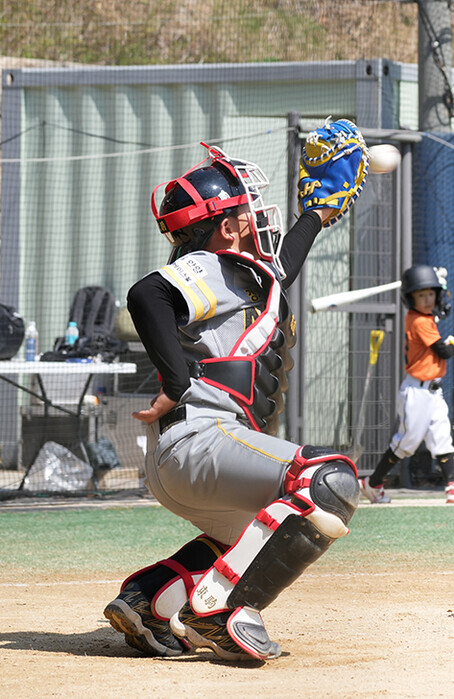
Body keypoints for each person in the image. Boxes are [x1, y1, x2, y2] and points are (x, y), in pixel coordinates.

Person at [103, 121, 368, 662]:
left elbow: (279, 270)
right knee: (327, 481)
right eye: (246, 210)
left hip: (188, 455)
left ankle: (148, 601)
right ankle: (223, 611)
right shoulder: (211, 265)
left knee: (255, 535)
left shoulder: (236, 275)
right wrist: (175, 382)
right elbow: (147, 294)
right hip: (200, 439)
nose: (256, 217)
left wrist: (316, 215)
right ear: (224, 228)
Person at [360, 264, 454, 505]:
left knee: (441, 436)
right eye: (421, 295)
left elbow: (438, 316)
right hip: (416, 392)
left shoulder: (425, 318)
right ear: (411, 298)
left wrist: (441, 290)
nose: (428, 300)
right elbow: (443, 351)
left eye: (431, 294)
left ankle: (452, 485)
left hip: (433, 391)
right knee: (406, 442)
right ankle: (373, 483)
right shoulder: (418, 320)